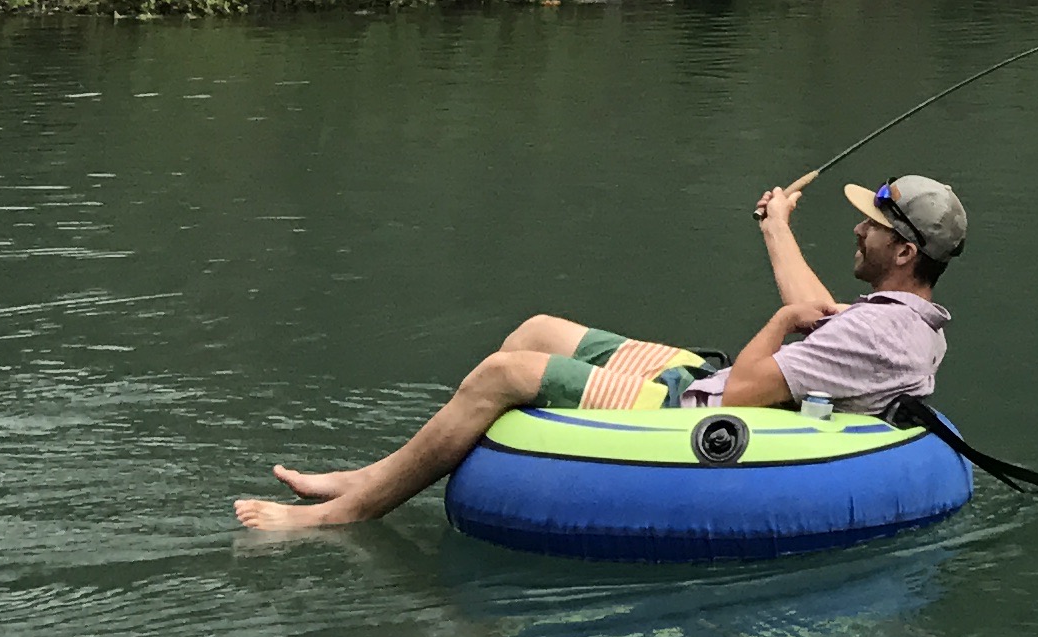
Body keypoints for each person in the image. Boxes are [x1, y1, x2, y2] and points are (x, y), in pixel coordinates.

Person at [235, 171, 967, 532]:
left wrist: (777, 323)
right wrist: (777, 227)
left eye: (870, 225)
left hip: (691, 409)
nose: (857, 230)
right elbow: (821, 315)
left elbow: (747, 390)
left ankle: (343, 516)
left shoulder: (878, 331)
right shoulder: (898, 313)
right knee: (541, 329)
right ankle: (376, 472)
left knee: (506, 374)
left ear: (902, 249)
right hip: (702, 378)